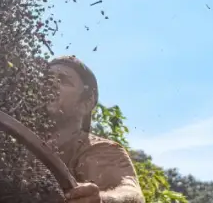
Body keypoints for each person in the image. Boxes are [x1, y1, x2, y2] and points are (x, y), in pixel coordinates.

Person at [48, 56, 145, 203]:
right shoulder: (15, 144)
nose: (51, 85)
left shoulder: (98, 149)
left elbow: (132, 194)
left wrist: (102, 199)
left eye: (63, 80)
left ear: (86, 102)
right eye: (47, 79)